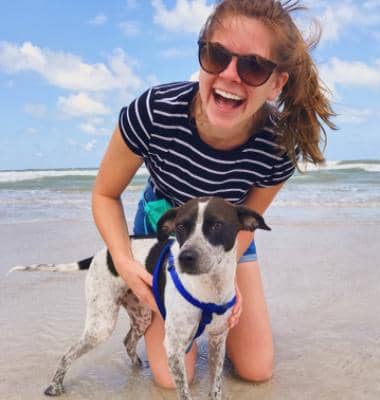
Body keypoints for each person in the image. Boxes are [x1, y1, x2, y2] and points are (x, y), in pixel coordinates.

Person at [92, 0, 336, 388]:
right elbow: (105, 194)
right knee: (173, 378)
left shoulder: (278, 147)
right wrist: (124, 262)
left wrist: (226, 276)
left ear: (277, 83)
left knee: (257, 370)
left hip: (226, 238)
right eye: (217, 55)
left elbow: (246, 225)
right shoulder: (155, 111)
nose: (230, 75)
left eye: (253, 66)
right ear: (202, 55)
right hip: (166, 229)